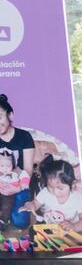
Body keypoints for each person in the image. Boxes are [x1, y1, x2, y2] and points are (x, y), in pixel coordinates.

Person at [21, 155, 82, 231]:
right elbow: (36, 203)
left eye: (60, 188)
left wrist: (74, 226)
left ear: (72, 184)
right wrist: (31, 205)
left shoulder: (77, 199)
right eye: (51, 187)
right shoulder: (45, 192)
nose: (55, 192)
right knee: (33, 231)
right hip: (49, 227)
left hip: (67, 231)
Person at [0, 94, 35, 228]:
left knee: (20, 222)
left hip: (19, 183)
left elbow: (28, 168)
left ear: (10, 115)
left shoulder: (24, 136)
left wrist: (18, 187)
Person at [0, 148, 30, 229]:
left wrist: (24, 182)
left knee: (7, 206)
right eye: (2, 166)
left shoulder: (16, 171)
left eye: (8, 166)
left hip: (10, 194)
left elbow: (25, 175)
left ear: (13, 163)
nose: (5, 168)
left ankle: (4, 221)